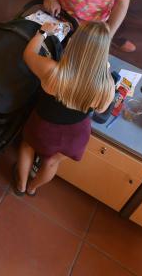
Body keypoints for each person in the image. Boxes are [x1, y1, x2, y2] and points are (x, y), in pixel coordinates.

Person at [14, 21, 116, 195]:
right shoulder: (107, 86)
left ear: (74, 43)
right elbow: (100, 110)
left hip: (43, 125)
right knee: (52, 162)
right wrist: (105, 70)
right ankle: (32, 189)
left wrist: (42, 33)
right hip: (75, 134)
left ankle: (21, 186)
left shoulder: (52, 70)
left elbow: (28, 54)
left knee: (27, 146)